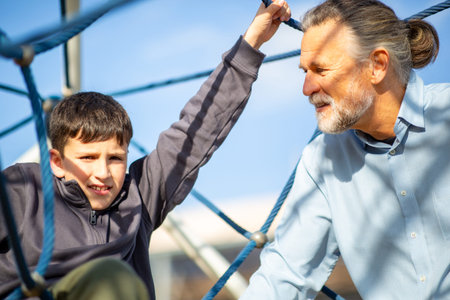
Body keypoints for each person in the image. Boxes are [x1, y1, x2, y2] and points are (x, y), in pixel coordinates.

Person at [0, 1, 291, 299]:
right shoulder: (23, 188)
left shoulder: (139, 195)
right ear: (57, 162)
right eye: (87, 157)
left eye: (115, 158)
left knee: (112, 278)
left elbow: (195, 132)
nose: (103, 173)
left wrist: (251, 41)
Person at [240, 0, 450, 299]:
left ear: (377, 65)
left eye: (321, 69)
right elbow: (285, 274)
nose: (307, 88)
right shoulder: (322, 159)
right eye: (305, 72)